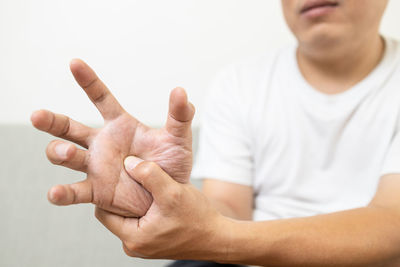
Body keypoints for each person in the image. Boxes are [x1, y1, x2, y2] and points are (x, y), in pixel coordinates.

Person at [31, 0, 400, 265]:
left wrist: (216, 239)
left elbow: (391, 227)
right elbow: (228, 211)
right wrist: (163, 194)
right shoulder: (240, 82)